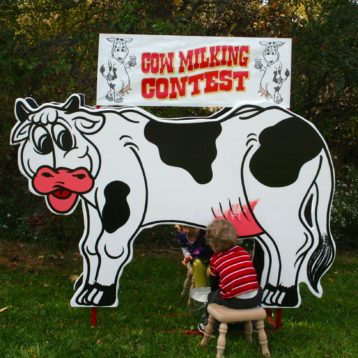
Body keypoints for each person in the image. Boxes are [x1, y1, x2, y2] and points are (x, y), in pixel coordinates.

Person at [198, 219, 262, 332]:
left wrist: (216, 293)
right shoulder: (242, 251)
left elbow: (214, 284)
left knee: (212, 296)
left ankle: (209, 324)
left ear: (212, 244)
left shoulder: (215, 260)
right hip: (255, 298)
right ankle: (255, 323)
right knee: (254, 287)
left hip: (236, 302)